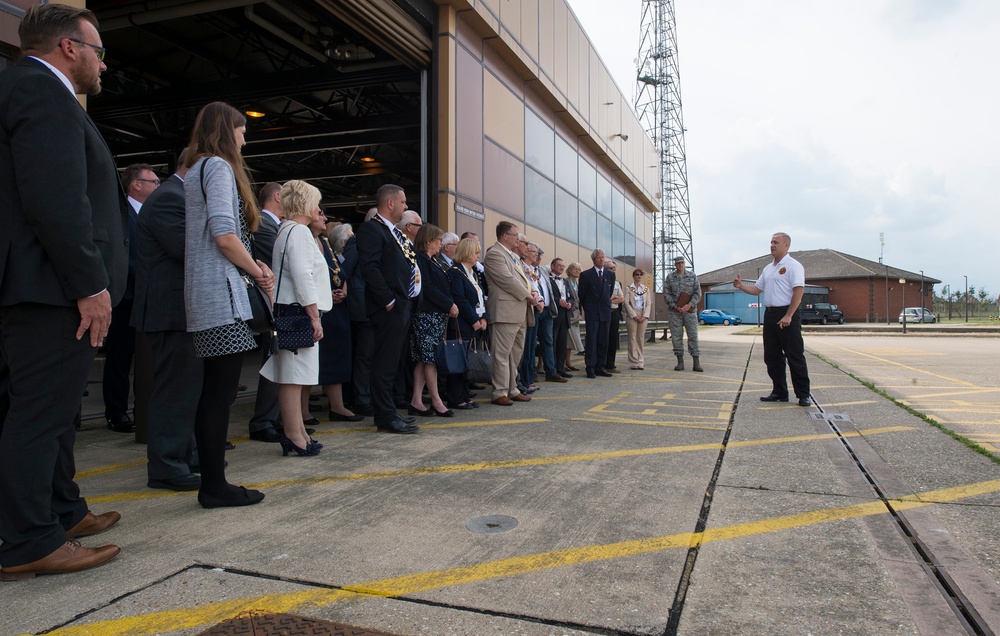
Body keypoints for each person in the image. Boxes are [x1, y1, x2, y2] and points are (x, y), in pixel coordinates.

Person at [0, 3, 126, 581]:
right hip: (49, 288)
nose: (103, 63)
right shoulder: (41, 91)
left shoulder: (31, 90)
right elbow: (55, 202)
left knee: (50, 414)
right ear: (69, 48)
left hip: (43, 285)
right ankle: (28, 540)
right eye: (98, 50)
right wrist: (90, 284)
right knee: (39, 416)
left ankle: (60, 513)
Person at [182, 101, 273, 507]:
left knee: (214, 391)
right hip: (222, 297)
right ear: (226, 130)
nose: (244, 137)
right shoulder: (217, 168)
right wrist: (257, 270)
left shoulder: (194, 169)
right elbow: (224, 234)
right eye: (241, 129)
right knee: (220, 394)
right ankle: (214, 486)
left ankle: (212, 482)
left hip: (205, 294)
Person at [131, 151, 202, 491]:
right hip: (169, 309)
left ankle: (182, 454)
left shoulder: (174, 195)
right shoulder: (170, 198)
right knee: (173, 389)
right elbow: (186, 250)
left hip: (177, 308)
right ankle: (166, 465)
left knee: (184, 387)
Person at [259, 180, 331, 455]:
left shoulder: (287, 230)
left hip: (291, 309)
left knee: (296, 375)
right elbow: (302, 276)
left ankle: (297, 432)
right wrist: (314, 316)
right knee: (293, 376)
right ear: (304, 203)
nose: (318, 208)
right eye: (315, 202)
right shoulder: (299, 232)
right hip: (298, 312)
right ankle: (294, 435)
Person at [356, 184, 421, 433]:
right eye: (403, 202)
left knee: (392, 361)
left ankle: (389, 410)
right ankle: (384, 416)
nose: (406, 207)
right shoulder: (373, 230)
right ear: (390, 203)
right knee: (384, 362)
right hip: (387, 308)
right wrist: (389, 300)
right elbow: (370, 268)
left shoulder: (394, 232)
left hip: (401, 305)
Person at [103, 163, 159, 433]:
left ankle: (142, 410)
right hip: (125, 297)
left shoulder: (150, 214)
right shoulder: (120, 214)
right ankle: (116, 412)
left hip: (146, 297)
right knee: (120, 358)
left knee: (147, 359)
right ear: (136, 184)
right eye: (153, 182)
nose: (158, 186)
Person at [734, 232, 811, 406]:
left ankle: (803, 394)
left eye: (776, 242)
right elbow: (756, 289)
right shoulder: (769, 269)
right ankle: (779, 391)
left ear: (786, 246)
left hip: (787, 313)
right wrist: (740, 286)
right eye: (771, 242)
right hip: (770, 315)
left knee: (794, 355)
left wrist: (789, 315)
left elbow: (798, 291)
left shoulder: (793, 266)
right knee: (772, 356)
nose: (772, 245)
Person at [247, 182, 285, 443]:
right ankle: (263, 422)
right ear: (277, 197)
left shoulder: (274, 225)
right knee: (273, 361)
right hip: (273, 303)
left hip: (281, 302)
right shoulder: (263, 224)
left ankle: (276, 418)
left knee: (280, 364)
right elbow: (279, 262)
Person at [407, 224, 458, 418]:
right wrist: (448, 304)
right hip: (426, 315)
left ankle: (416, 400)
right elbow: (426, 287)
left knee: (423, 359)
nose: (440, 244)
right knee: (430, 359)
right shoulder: (420, 259)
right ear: (428, 241)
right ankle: (436, 400)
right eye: (438, 240)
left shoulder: (433, 260)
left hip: (434, 315)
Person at [484, 221, 537, 405]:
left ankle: (512, 388)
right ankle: (499, 392)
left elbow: (523, 280)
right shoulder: (494, 254)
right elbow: (507, 280)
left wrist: (533, 292)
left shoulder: (512, 256)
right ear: (505, 236)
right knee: (501, 354)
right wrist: (528, 296)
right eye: (515, 235)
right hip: (505, 312)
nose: (518, 239)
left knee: (515, 354)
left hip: (519, 311)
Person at [319, 222, 362, 422]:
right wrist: (326, 294)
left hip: (337, 307)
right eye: (320, 213)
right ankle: (304, 412)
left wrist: (344, 290)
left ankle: (338, 406)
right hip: (322, 307)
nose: (324, 218)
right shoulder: (306, 239)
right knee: (324, 359)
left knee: (338, 358)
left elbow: (341, 271)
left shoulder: (324, 243)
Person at [345, 208, 378, 417]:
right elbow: (345, 269)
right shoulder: (356, 241)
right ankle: (361, 398)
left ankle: (369, 396)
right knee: (364, 355)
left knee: (372, 354)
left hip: (376, 306)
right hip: (362, 306)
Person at [447, 238, 488, 409]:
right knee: (458, 361)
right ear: (466, 253)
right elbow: (460, 299)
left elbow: (481, 297)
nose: (478, 256)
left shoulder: (472, 273)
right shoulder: (456, 272)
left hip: (475, 323)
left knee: (467, 361)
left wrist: (484, 317)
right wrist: (474, 320)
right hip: (461, 323)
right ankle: (456, 398)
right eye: (476, 252)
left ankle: (465, 395)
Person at [577, 249, 614, 378]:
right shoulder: (586, 275)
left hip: (605, 311)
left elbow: (608, 293)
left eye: (603, 257)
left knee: (603, 340)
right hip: (592, 312)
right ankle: (590, 367)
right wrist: (587, 308)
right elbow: (581, 294)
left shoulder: (610, 275)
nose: (601, 259)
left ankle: (600, 366)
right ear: (594, 259)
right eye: (599, 257)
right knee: (592, 340)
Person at [664, 255, 703, 372]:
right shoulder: (670, 277)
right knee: (676, 337)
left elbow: (698, 293)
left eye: (682, 263)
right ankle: (680, 362)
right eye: (677, 263)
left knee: (693, 336)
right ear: (675, 265)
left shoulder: (692, 276)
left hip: (689, 311)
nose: (680, 265)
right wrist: (675, 306)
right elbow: (666, 294)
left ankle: (696, 362)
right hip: (675, 312)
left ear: (684, 264)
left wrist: (689, 305)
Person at [548, 258, 574, 378]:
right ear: (552, 266)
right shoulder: (548, 279)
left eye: (563, 266)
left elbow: (572, 298)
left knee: (562, 344)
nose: (562, 268)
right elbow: (548, 295)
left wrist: (570, 304)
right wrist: (558, 301)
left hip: (565, 315)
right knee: (552, 343)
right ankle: (552, 369)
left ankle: (560, 368)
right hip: (554, 314)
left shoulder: (565, 281)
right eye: (559, 265)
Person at [623, 268, 651, 370]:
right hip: (632, 314)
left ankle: (640, 361)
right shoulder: (628, 288)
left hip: (643, 314)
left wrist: (645, 316)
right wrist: (634, 315)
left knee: (640, 338)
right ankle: (633, 362)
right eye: (636, 274)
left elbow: (648, 303)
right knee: (632, 338)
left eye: (640, 275)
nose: (638, 276)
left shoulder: (646, 289)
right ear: (633, 276)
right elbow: (626, 303)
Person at [604, 259, 625, 374]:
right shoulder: (602, 281)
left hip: (614, 312)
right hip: (604, 312)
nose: (613, 270)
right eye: (610, 268)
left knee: (613, 339)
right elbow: (604, 298)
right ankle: (601, 363)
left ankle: (610, 364)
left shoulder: (617, 283)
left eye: (614, 268)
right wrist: (612, 299)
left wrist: (612, 299)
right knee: (603, 339)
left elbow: (622, 298)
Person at [565, 261, 584, 369]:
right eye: (575, 269)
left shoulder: (577, 284)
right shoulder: (565, 282)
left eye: (579, 269)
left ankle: (568, 362)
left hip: (575, 316)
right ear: (570, 270)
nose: (577, 271)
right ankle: (563, 363)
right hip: (568, 314)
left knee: (571, 341)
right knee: (567, 339)